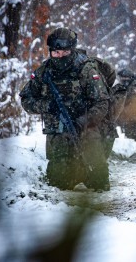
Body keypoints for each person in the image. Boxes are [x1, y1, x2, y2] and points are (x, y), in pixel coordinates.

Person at [20, 27, 112, 191]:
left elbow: (102, 103)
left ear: (72, 50)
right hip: (57, 131)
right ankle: (74, 172)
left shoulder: (85, 70)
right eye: (55, 52)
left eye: (64, 52)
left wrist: (83, 121)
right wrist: (47, 106)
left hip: (87, 128)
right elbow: (26, 99)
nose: (59, 56)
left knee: (98, 180)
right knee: (60, 182)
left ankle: (93, 170)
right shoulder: (44, 72)